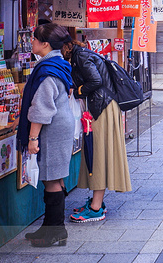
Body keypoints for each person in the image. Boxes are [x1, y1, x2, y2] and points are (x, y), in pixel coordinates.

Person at [18, 23, 74, 247]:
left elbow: (41, 109)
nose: (31, 42)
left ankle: (55, 231)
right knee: (55, 176)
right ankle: (52, 228)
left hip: (52, 128)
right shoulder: (57, 63)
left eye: (34, 39)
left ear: (45, 44)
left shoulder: (48, 70)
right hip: (60, 124)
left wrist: (32, 139)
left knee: (51, 177)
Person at [64, 40, 132, 223]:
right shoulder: (83, 54)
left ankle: (96, 208)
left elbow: (95, 80)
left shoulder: (81, 56)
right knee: (96, 154)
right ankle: (96, 202)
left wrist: (78, 90)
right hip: (104, 106)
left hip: (102, 108)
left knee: (98, 155)